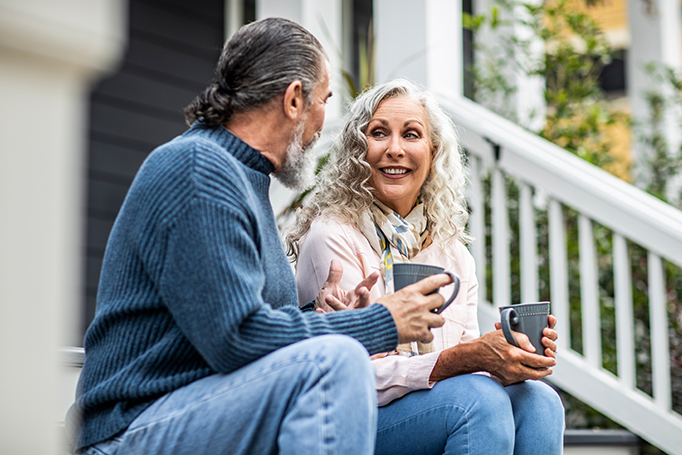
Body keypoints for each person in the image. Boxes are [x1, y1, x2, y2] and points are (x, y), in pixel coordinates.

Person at [67, 19, 453, 455]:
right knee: (336, 363)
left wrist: (324, 318)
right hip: (128, 425)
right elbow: (237, 339)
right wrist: (378, 322)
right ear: (293, 100)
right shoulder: (199, 170)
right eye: (323, 101)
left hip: (199, 406)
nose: (322, 124)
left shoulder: (242, 179)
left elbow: (244, 325)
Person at [286, 79, 566, 455]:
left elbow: (465, 362)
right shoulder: (334, 235)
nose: (395, 149)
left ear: (432, 153)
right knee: (477, 401)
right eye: (379, 133)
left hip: (434, 408)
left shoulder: (452, 253)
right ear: (358, 151)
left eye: (411, 134)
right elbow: (352, 378)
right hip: (353, 418)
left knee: (540, 402)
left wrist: (507, 360)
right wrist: (463, 360)